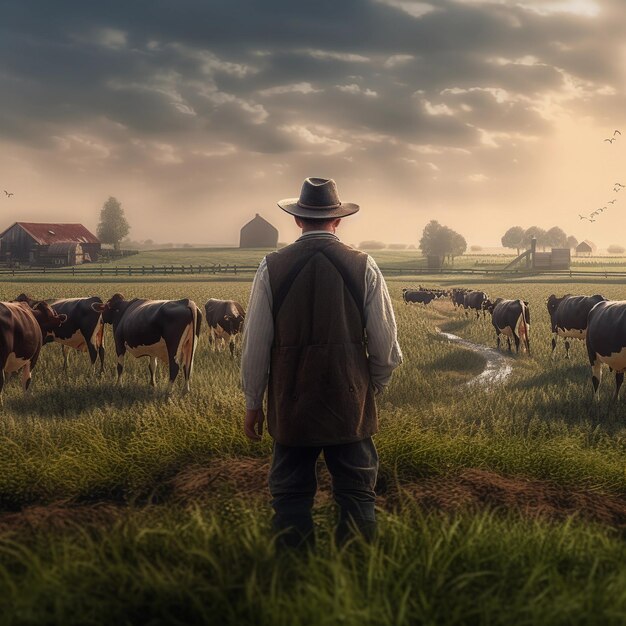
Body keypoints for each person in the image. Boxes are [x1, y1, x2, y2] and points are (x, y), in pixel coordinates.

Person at [241, 177, 402, 549]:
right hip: (350, 401)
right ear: (338, 220)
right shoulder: (363, 265)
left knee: (290, 498)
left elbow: (255, 345)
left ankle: (296, 583)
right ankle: (359, 577)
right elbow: (386, 347)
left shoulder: (271, 267)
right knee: (357, 495)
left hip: (289, 401)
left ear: (297, 220)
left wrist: (253, 403)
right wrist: (369, 387)